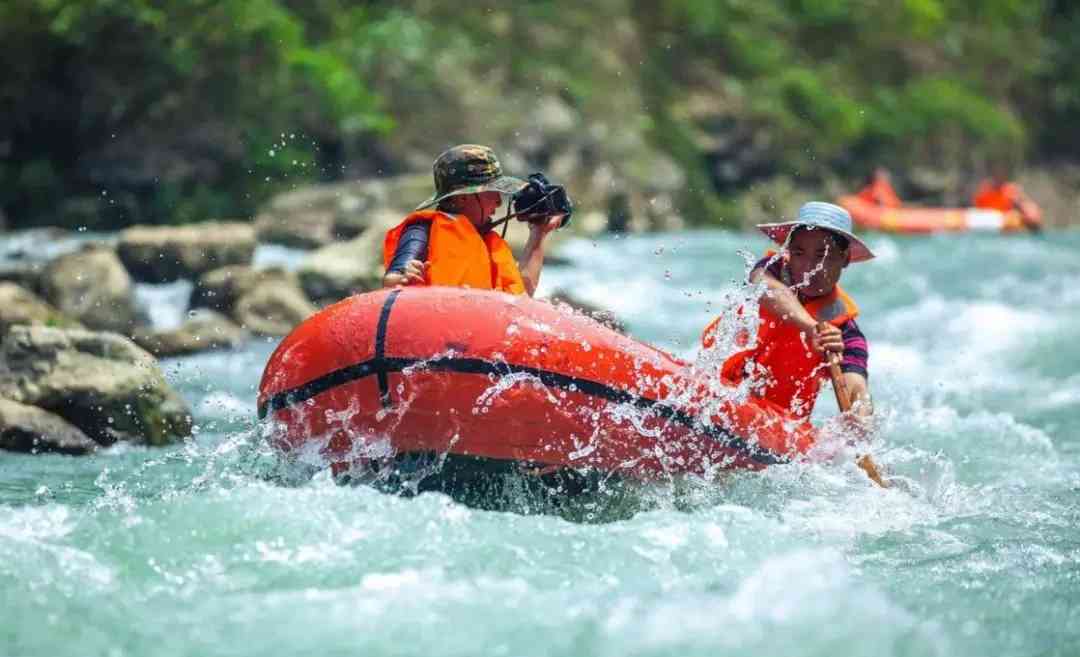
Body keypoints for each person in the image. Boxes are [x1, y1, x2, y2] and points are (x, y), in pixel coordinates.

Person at [702, 202, 875, 424]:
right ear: (788, 253)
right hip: (717, 389)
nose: (808, 266)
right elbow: (768, 290)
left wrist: (860, 421)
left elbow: (857, 389)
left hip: (776, 425)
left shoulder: (847, 334)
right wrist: (813, 328)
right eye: (799, 253)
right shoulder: (769, 270)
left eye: (822, 254)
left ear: (844, 259)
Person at [382, 144, 564, 296]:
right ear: (462, 198)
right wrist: (402, 276)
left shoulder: (488, 242)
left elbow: (521, 296)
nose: (499, 202)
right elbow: (394, 277)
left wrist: (539, 234)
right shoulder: (422, 229)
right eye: (491, 193)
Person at [971, 169, 1043, 231]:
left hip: (1005, 221)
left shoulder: (1010, 190)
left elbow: (1031, 215)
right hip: (990, 219)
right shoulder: (986, 189)